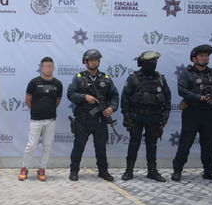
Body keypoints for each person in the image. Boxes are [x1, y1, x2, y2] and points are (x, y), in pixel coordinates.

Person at [171, 44, 212, 182]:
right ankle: (177, 170)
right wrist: (201, 98)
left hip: (210, 113)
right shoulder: (187, 74)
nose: (205, 58)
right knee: (186, 142)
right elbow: (182, 91)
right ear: (194, 59)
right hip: (192, 112)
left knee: (209, 143)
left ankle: (209, 171)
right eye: (201, 56)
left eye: (206, 56)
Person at [67, 49, 119, 181]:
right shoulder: (79, 78)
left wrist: (112, 108)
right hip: (83, 120)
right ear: (86, 62)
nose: (94, 62)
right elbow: (70, 94)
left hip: (100, 120)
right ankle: (74, 170)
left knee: (101, 147)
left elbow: (115, 96)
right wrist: (85, 97)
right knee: (78, 147)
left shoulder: (106, 78)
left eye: (96, 60)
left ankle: (103, 171)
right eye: (91, 60)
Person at [121, 51, 172, 182]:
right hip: (137, 116)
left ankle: (152, 171)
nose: (152, 64)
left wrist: (166, 115)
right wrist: (126, 116)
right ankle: (129, 171)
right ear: (141, 63)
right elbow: (125, 98)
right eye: (148, 62)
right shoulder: (133, 78)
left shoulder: (160, 79)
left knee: (152, 145)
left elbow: (168, 98)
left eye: (154, 61)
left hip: (154, 117)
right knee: (134, 144)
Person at [19, 57, 63, 181]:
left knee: (47, 146)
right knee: (31, 145)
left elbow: (57, 101)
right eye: (45, 66)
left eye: (50, 66)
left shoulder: (58, 84)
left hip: (50, 121)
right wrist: (37, 110)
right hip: (36, 120)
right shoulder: (34, 82)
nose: (48, 69)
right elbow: (28, 100)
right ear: (41, 68)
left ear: (53, 68)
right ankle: (24, 168)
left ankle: (42, 169)